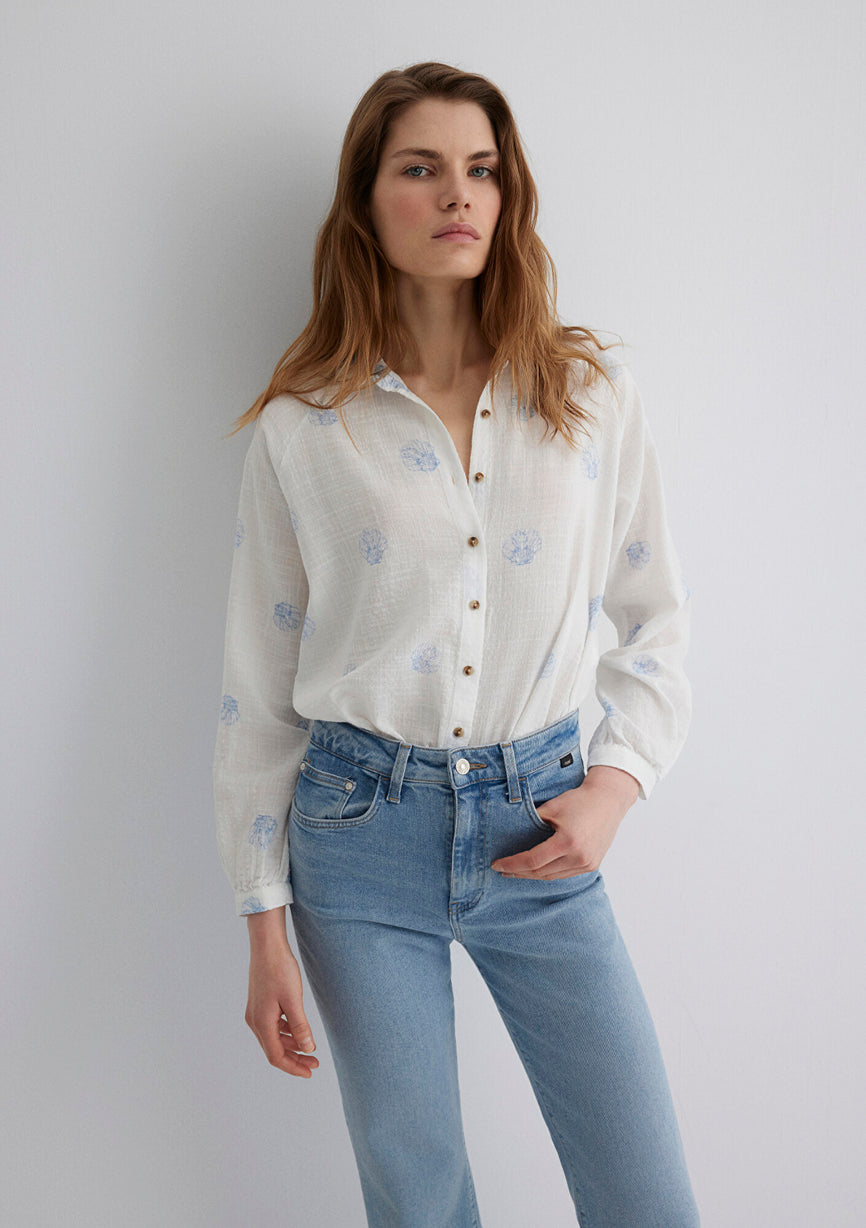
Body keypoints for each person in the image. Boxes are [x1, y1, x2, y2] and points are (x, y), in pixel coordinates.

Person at [213, 60, 700, 1228]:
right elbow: (258, 687)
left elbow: (654, 618)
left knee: (644, 1193)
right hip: (355, 837)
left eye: (480, 169)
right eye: (420, 168)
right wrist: (264, 925)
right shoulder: (304, 425)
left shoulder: (587, 392)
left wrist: (613, 785)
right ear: (365, 201)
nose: (456, 195)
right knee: (417, 1196)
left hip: (541, 825)